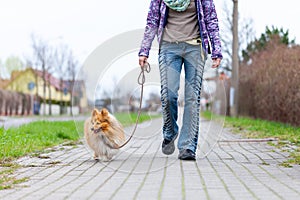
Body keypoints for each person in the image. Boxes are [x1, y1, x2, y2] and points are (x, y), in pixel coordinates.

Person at [138, 0, 222, 160]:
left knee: (192, 98)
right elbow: (152, 20)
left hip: (195, 48)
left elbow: (211, 19)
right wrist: (144, 50)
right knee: (168, 95)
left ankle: (188, 147)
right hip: (168, 48)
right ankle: (170, 132)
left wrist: (216, 50)